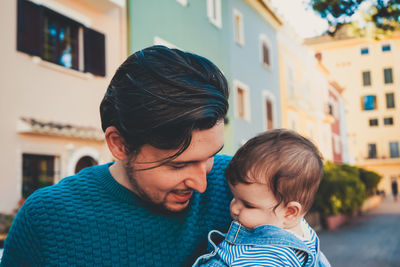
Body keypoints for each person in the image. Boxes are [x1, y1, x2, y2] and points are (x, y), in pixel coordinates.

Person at [1, 46, 233, 266]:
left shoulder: (243, 184)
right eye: (178, 165)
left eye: (211, 156)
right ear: (119, 144)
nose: (202, 184)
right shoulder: (45, 219)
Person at [193, 129, 331, 267]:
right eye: (234, 197)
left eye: (248, 205)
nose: (234, 208)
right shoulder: (306, 234)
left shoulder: (270, 257)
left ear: (290, 212)